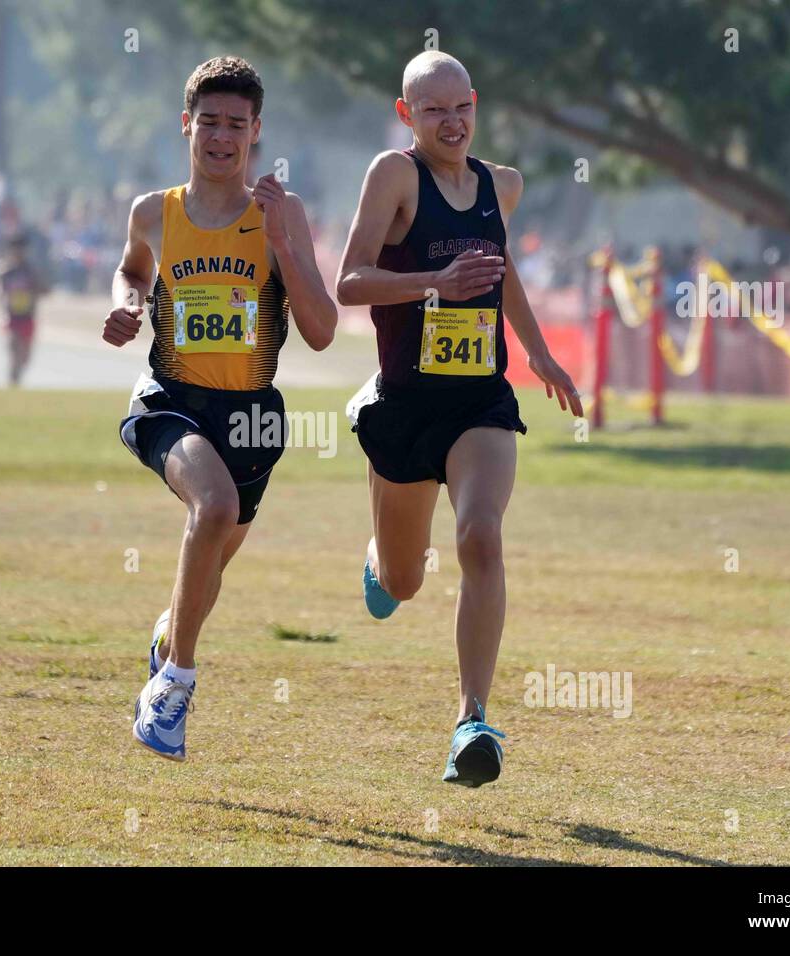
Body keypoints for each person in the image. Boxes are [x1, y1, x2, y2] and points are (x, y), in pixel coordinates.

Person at [337, 51, 582, 787]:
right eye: (433, 110)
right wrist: (432, 285)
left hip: (480, 400)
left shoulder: (499, 186)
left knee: (480, 535)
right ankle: (382, 561)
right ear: (407, 114)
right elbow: (350, 282)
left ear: (477, 105)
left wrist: (538, 354)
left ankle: (472, 720)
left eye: (462, 108)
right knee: (406, 582)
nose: (452, 122)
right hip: (406, 404)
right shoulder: (393, 176)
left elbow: (500, 278)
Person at [103, 56, 337, 761]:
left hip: (253, 419)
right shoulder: (154, 211)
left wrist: (281, 246)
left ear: (256, 133)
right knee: (212, 508)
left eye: (237, 125)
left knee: (207, 575)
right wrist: (125, 304)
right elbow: (132, 270)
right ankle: (173, 687)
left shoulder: (281, 212)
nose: (222, 137)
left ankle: (172, 632)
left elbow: (322, 331)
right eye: (209, 122)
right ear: (187, 125)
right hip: (170, 401)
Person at [0, 233, 47, 386]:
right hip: (11, 317)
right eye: (15, 250)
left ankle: (17, 374)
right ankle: (13, 381)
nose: (17, 253)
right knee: (13, 349)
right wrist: (0, 298)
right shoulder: (5, 271)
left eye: (20, 249)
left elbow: (44, 289)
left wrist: (35, 290)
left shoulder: (31, 271)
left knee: (25, 358)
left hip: (28, 317)